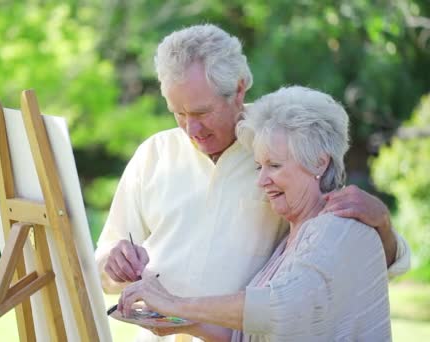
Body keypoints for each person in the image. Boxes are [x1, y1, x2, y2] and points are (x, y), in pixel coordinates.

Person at [94, 24, 409, 341]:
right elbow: (104, 261)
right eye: (179, 113)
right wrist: (114, 261)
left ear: (239, 88)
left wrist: (381, 222)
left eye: (202, 112)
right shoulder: (154, 154)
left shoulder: (284, 141)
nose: (192, 128)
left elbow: (347, 259)